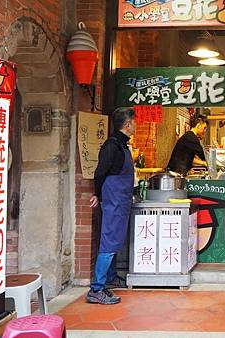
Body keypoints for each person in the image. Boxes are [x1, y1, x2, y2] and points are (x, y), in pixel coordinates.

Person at [86, 107, 137, 305]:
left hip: (120, 200)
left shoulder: (122, 145)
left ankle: (110, 277)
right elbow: (100, 173)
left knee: (114, 241)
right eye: (134, 121)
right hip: (113, 200)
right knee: (109, 242)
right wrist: (97, 194)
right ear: (128, 124)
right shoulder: (112, 146)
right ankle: (96, 288)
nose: (135, 125)